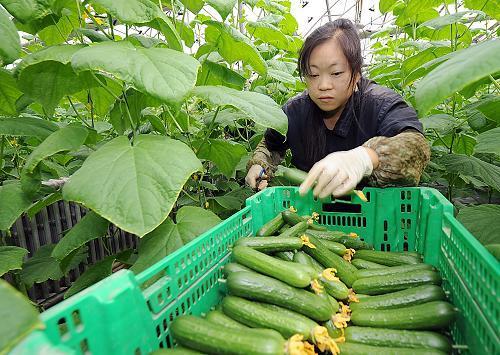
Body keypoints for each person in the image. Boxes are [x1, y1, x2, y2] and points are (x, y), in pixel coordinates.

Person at [245, 18, 430, 198]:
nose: (324, 85)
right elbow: (271, 145)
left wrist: (364, 158)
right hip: (315, 213)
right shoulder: (295, 111)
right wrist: (259, 165)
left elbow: (416, 146)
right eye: (313, 74)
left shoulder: (380, 104)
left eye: (336, 73)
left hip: (377, 216)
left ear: (356, 73)